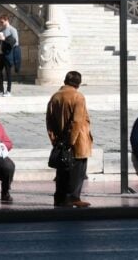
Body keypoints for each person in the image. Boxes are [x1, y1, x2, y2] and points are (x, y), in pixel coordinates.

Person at [45, 71, 93, 208]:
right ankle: (73, 197)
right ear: (78, 83)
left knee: (62, 171)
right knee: (77, 171)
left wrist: (54, 139)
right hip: (77, 142)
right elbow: (77, 121)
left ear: (65, 80)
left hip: (60, 140)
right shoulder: (78, 97)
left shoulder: (55, 97)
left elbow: (49, 120)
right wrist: (70, 141)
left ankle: (59, 198)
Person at [0, 13, 20, 97]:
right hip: (2, 53)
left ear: (6, 20)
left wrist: (4, 39)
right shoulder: (1, 30)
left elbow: (15, 42)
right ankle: (1, 90)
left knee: (8, 72)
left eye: (2, 22)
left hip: (9, 53)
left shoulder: (12, 29)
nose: (0, 24)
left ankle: (8, 91)